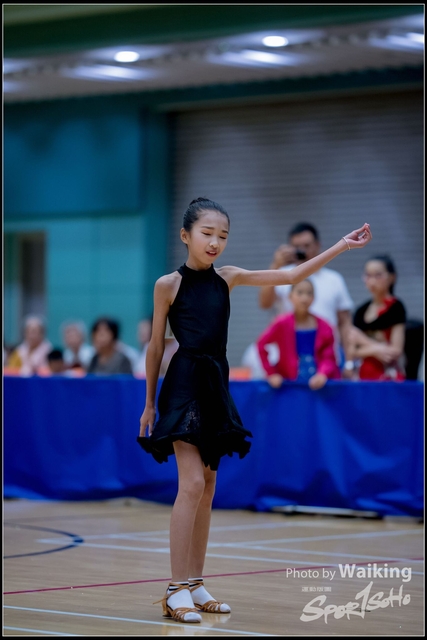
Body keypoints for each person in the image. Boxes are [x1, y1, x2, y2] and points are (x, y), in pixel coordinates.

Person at [136, 196, 371, 624]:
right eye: (207, 233)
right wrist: (149, 403)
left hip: (216, 385)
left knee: (208, 486)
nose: (215, 242)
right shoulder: (167, 284)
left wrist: (342, 245)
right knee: (191, 483)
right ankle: (174, 589)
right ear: (186, 235)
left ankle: (195, 583)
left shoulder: (228, 277)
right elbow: (155, 347)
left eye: (222, 236)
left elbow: (291, 275)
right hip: (184, 384)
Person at [258, 222, 354, 372]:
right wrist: (275, 265)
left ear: (317, 245)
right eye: (296, 246)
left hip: (326, 361)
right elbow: (264, 303)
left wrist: (349, 362)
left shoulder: (334, 279)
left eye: (306, 246)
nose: (302, 251)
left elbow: (345, 324)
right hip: (288, 361)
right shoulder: (282, 275)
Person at [257, 279, 341, 390]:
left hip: (320, 386)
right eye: (300, 293)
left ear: (314, 298)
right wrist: (271, 373)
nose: (304, 298)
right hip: (290, 385)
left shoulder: (325, 326)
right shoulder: (281, 323)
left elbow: (329, 356)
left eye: (309, 293)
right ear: (290, 296)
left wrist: (323, 374)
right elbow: (261, 344)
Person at [346, 255, 407, 381]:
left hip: (388, 375)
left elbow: (395, 351)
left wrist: (363, 340)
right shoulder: (361, 311)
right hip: (363, 375)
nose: (372, 281)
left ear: (392, 277)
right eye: (368, 275)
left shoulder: (396, 307)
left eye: (378, 275)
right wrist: (378, 349)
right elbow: (352, 351)